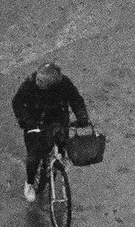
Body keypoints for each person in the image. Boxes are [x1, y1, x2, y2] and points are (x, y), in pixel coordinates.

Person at [11, 62, 90, 202]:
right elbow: (17, 102)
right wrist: (25, 121)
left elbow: (76, 100)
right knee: (33, 156)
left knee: (61, 146)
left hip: (58, 120)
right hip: (35, 122)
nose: (37, 81)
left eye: (41, 81)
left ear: (51, 83)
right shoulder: (30, 83)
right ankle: (29, 183)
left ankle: (55, 164)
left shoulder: (64, 83)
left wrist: (82, 116)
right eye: (38, 78)